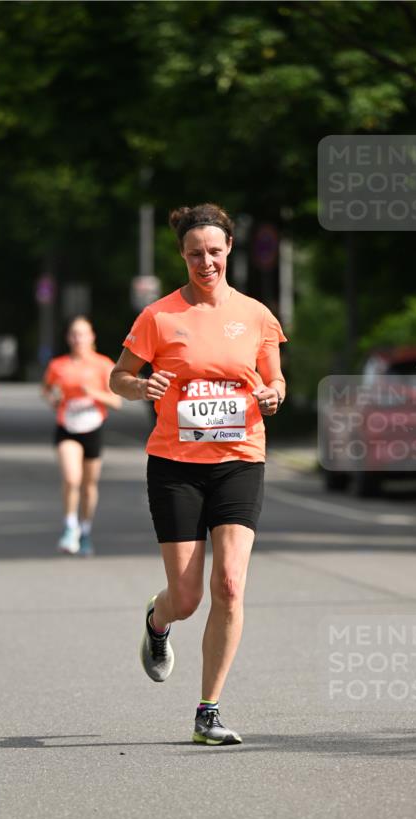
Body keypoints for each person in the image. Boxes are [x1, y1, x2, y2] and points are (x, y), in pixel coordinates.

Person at [110, 203, 287, 746]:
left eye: (213, 251)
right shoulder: (159, 317)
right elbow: (119, 376)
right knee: (186, 598)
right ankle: (157, 621)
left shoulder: (256, 314)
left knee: (230, 585)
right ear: (182, 255)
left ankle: (208, 710)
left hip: (239, 460)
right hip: (175, 467)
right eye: (194, 254)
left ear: (229, 247)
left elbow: (277, 383)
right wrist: (141, 388)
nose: (204, 261)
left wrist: (271, 395)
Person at [42, 316, 121, 556]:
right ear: (69, 338)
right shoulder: (59, 365)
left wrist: (94, 393)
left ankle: (85, 530)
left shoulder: (103, 364)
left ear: (91, 337)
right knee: (71, 478)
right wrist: (53, 399)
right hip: (67, 427)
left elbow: (116, 401)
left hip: (93, 428)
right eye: (74, 334)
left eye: (82, 334)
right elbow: (47, 391)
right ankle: (69, 526)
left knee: (88, 486)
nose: (78, 339)